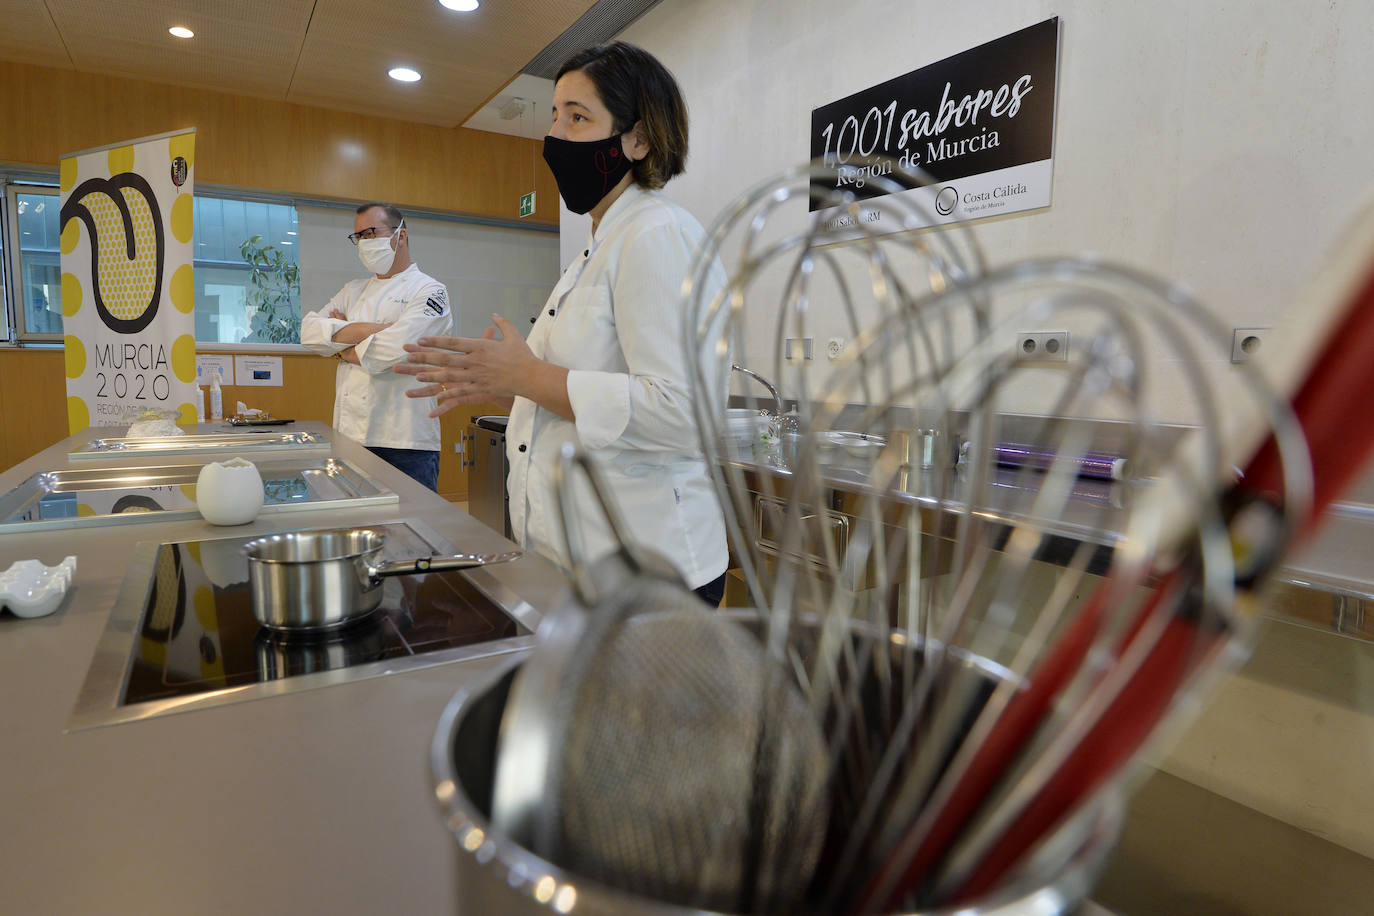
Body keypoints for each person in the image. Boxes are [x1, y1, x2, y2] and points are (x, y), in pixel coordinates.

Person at [395, 42, 730, 605]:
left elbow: (685, 411)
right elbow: (579, 391)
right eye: (554, 116)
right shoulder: (597, 248)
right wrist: (504, 380)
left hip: (648, 578)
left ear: (638, 139)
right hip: (586, 566)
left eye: (578, 118)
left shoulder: (655, 235)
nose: (556, 136)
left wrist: (527, 378)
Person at [300, 203, 453, 491]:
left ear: (401, 235)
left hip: (405, 442)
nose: (365, 243)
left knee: (412, 529)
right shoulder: (353, 290)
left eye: (372, 232)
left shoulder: (430, 291)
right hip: (350, 438)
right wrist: (378, 331)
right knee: (356, 528)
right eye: (359, 236)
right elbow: (309, 333)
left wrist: (339, 345)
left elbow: (394, 350)